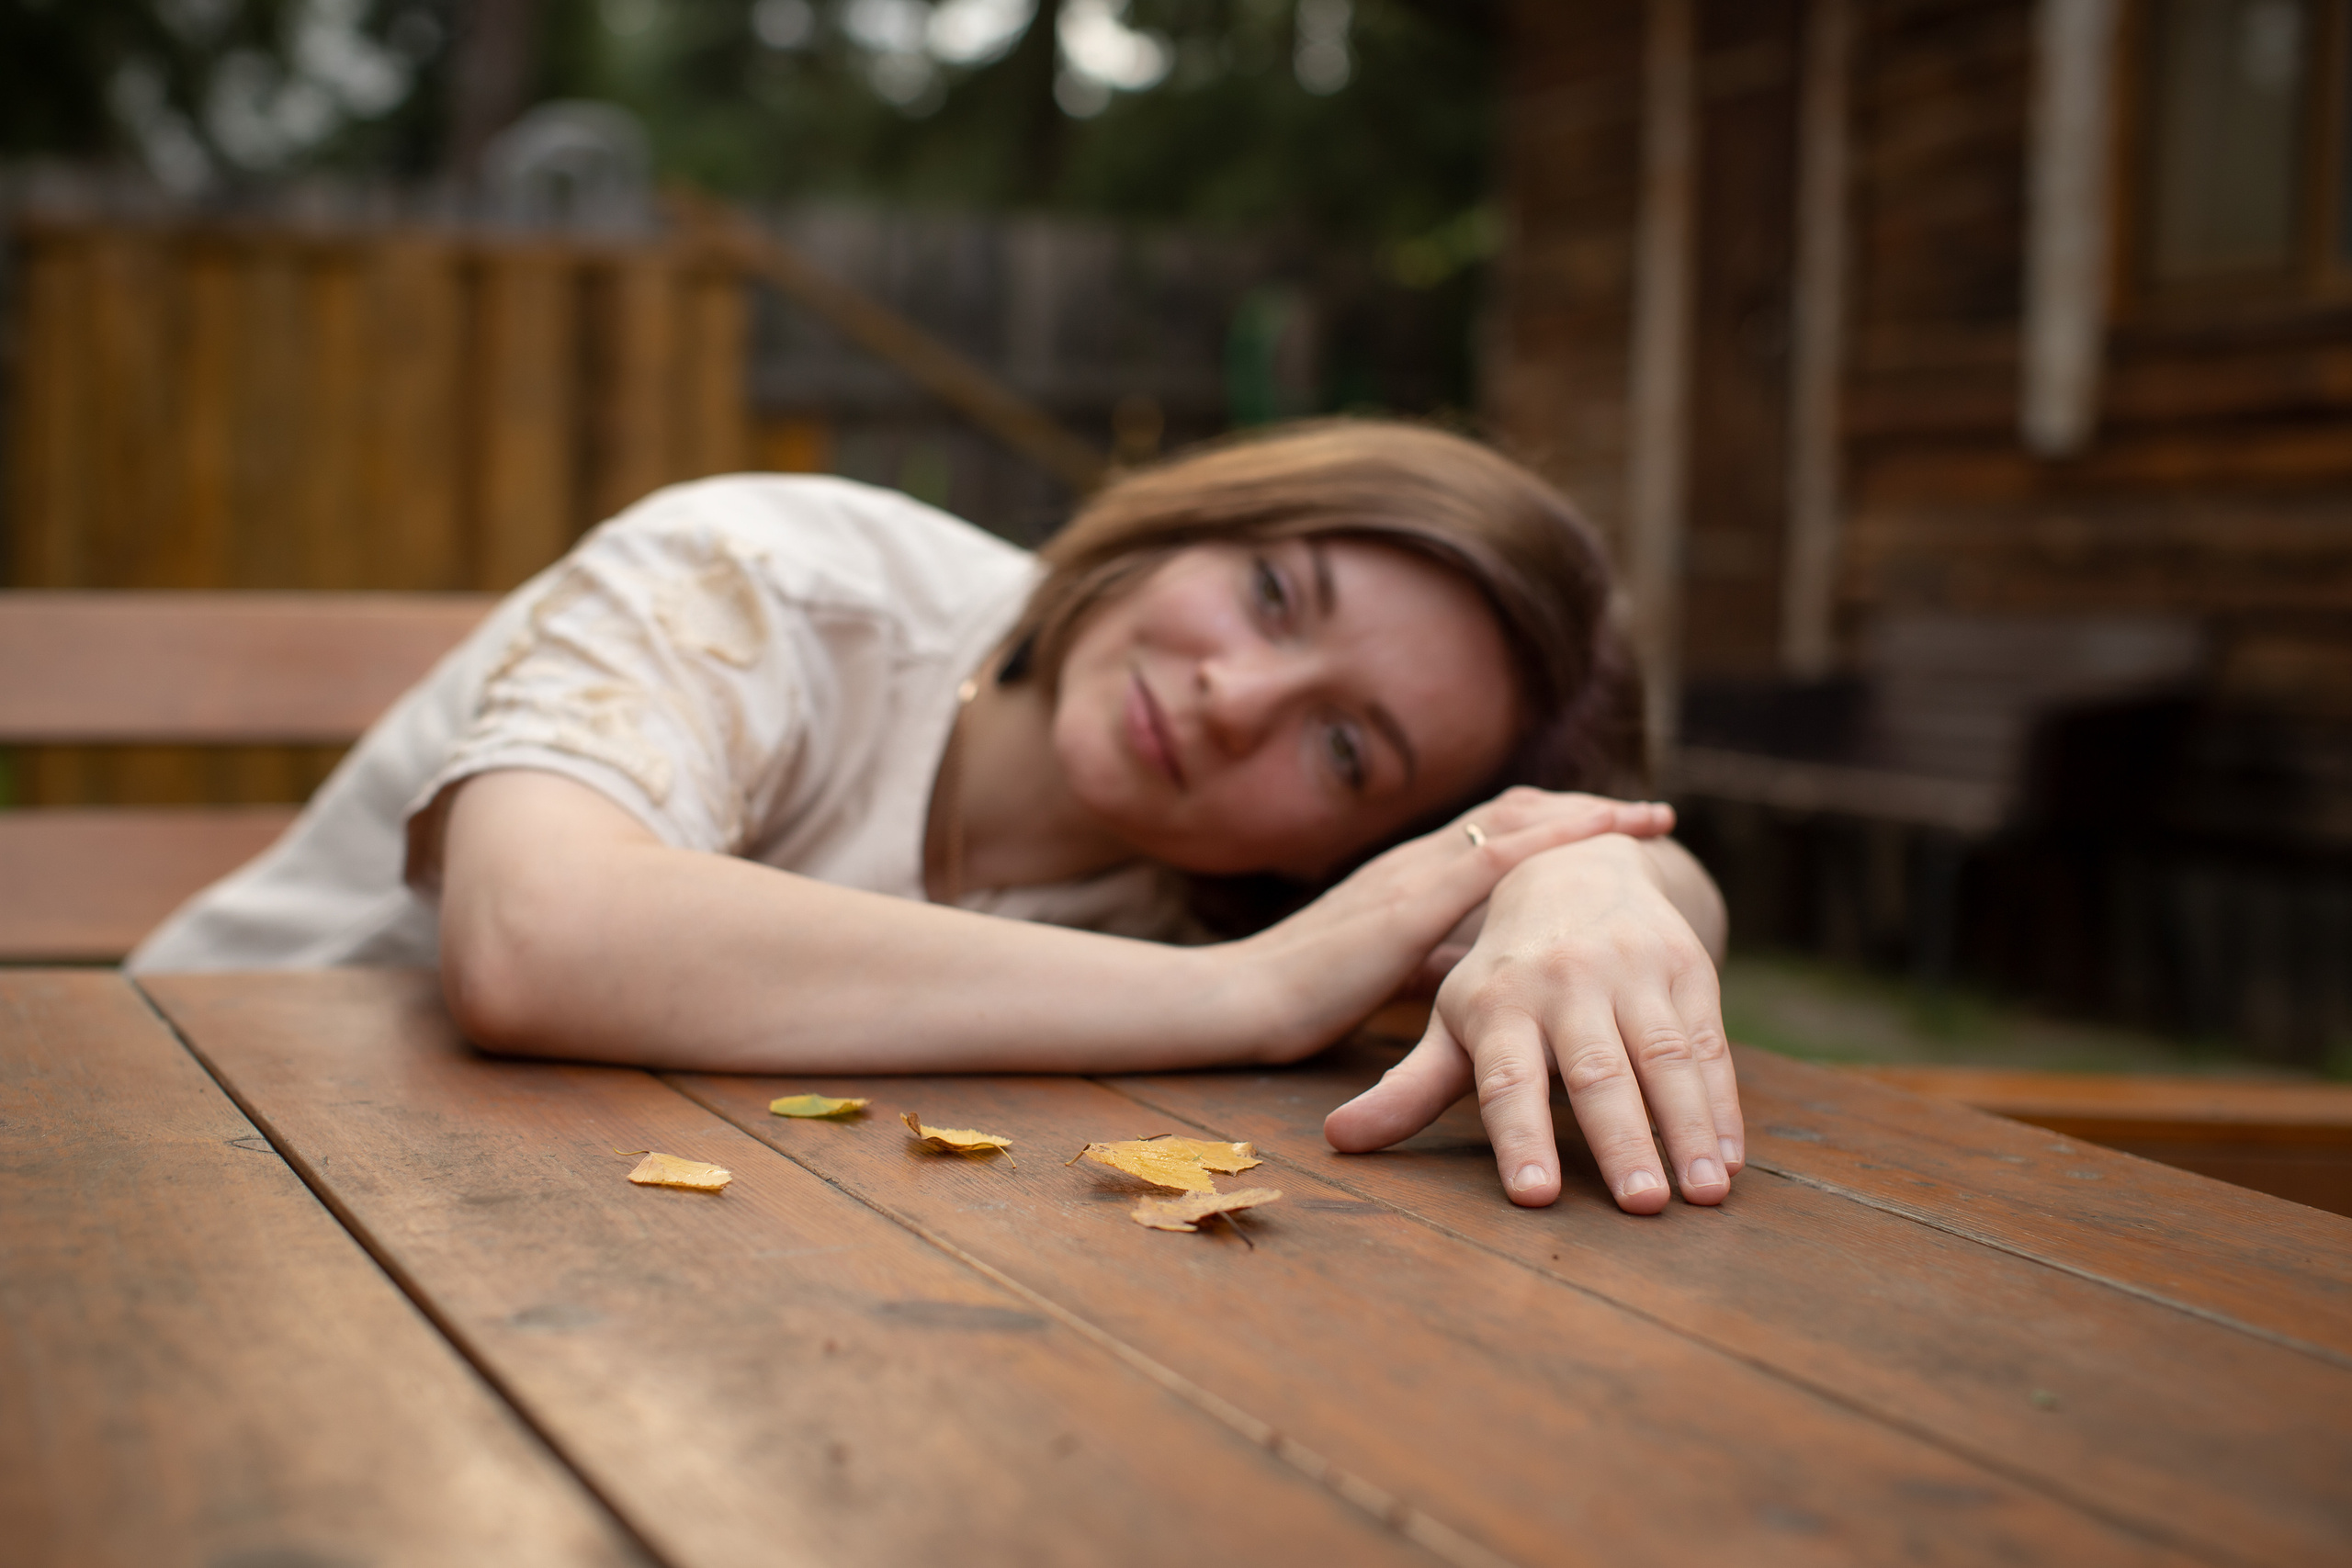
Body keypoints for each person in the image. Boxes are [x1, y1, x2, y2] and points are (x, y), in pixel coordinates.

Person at [132, 419, 1741, 1214]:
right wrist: (1245, 996)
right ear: (1196, 519)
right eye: (1268, 590)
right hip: (171, 1149)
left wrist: (1580, 883)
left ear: (1349, 855)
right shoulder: (776, 574)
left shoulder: (1215, 889)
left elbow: (1661, 886)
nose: (1234, 697)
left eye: (1344, 752)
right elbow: (534, 935)